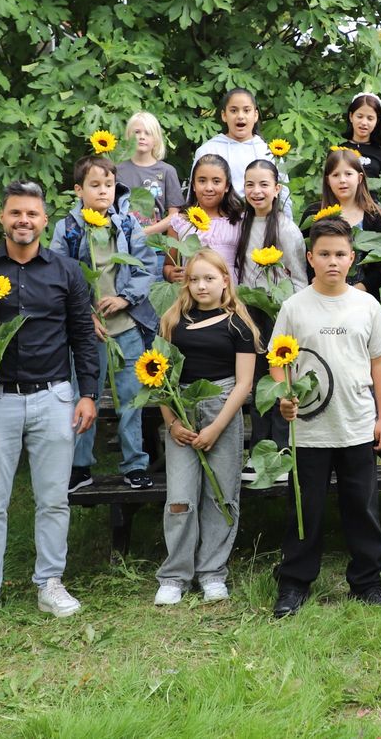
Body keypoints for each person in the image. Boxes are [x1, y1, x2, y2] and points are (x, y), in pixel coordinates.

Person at [0, 180, 99, 636]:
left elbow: (83, 338)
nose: (24, 221)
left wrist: (87, 391)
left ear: (44, 219)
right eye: (15, 213)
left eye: (32, 214)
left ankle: (50, 582)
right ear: (2, 218)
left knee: (54, 498)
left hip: (54, 398)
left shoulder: (67, 272)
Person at [270, 218, 381, 617]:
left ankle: (367, 580)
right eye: (324, 254)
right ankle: (294, 582)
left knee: (362, 507)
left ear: (352, 258)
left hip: (357, 423)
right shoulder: (294, 307)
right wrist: (285, 396)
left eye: (340, 254)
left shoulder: (367, 306)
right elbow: (278, 360)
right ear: (310, 258)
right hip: (308, 429)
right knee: (306, 510)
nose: (332, 262)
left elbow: (379, 363)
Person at [153, 249, 259, 605]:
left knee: (221, 495)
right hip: (181, 408)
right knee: (180, 498)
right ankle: (175, 575)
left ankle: (213, 571)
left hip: (222, 409)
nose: (201, 285)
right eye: (194, 279)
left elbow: (244, 384)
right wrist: (172, 422)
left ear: (225, 281)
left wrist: (216, 428)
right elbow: (160, 375)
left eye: (209, 278)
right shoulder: (172, 321)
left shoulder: (238, 325)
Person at [53, 155, 159, 492]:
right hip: (88, 332)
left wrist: (125, 297)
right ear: (78, 190)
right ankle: (80, 465)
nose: (103, 191)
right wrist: (84, 313)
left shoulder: (127, 223)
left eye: (108, 185)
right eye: (94, 185)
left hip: (125, 325)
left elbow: (146, 267)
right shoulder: (67, 229)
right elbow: (58, 276)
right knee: (85, 396)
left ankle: (134, 464)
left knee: (131, 398)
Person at [236, 159, 308, 467]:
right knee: (257, 383)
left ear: (277, 189)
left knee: (283, 383)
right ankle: (258, 451)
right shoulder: (241, 223)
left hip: (281, 312)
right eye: (250, 184)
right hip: (251, 313)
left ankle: (282, 448)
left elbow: (299, 277)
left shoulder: (287, 229)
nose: (257, 191)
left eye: (264, 184)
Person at [298, 148, 381, 294]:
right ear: (328, 180)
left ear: (359, 178)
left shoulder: (375, 216)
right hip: (322, 292)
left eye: (348, 174)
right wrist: (314, 278)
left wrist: (360, 288)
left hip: (362, 295)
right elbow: (303, 253)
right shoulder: (314, 214)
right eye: (336, 175)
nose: (342, 180)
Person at [116, 111, 184, 277]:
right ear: (128, 137)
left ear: (156, 139)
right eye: (137, 132)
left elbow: (175, 217)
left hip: (155, 249)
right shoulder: (117, 170)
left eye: (148, 133)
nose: (142, 137)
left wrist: (145, 232)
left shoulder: (167, 171)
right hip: (123, 249)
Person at [165, 153, 244, 280]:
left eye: (216, 181)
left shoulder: (239, 221)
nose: (209, 188)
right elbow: (169, 264)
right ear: (194, 186)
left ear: (227, 186)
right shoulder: (180, 222)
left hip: (230, 293)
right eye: (202, 181)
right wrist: (170, 274)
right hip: (193, 293)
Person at [192, 88, 273, 193]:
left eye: (246, 110)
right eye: (234, 111)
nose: (240, 116)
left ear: (255, 115)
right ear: (224, 115)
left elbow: (283, 194)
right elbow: (194, 194)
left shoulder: (269, 152)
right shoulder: (208, 150)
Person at [339, 91, 381, 219]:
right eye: (359, 116)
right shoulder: (338, 151)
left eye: (370, 118)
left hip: (370, 218)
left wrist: (380, 216)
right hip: (340, 217)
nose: (364, 122)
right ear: (351, 116)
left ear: (377, 121)